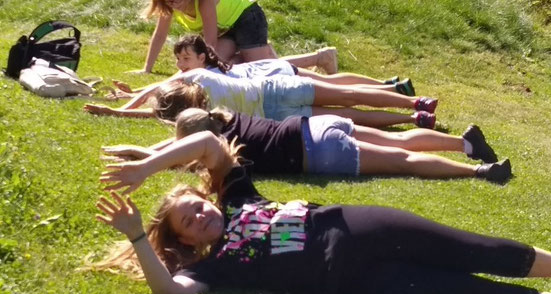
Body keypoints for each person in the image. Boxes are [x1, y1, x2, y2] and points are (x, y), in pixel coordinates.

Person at [94, 131, 551, 294]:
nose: (200, 216)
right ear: (188, 242)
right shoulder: (215, 267)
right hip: (357, 283)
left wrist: (146, 167)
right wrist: (139, 237)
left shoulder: (240, 200)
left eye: (196, 206)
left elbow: (210, 143)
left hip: (361, 225)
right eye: (189, 222)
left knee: (473, 249)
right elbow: (168, 291)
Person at [102, 107, 511, 182]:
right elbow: (188, 143)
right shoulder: (227, 118)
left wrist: (143, 155)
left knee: (402, 160)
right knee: (398, 139)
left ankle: (481, 171)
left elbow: (185, 156)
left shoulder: (220, 147)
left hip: (318, 153)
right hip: (316, 126)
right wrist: (142, 149)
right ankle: (465, 144)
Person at [84, 68, 438, 128]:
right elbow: (153, 93)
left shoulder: (194, 114)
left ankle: (415, 119)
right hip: (277, 89)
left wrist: (117, 112)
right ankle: (415, 103)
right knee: (348, 95)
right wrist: (122, 105)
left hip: (275, 117)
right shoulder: (195, 76)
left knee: (349, 116)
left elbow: (154, 112)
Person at [111, 35, 415, 99]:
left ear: (202, 58)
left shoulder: (201, 74)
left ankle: (389, 89)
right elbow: (164, 87)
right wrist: (134, 92)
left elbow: (163, 88)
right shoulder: (209, 68)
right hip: (269, 71)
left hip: (272, 75)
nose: (180, 66)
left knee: (334, 87)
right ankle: (389, 86)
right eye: (178, 60)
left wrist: (132, 96)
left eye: (185, 59)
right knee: (333, 85)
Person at [140, 0, 338, 73]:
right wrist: (146, 69)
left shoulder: (204, 2)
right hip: (227, 30)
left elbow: (209, 43)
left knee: (263, 69)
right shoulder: (168, 5)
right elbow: (160, 35)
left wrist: (200, 71)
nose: (173, 1)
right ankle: (259, 52)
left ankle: (322, 57)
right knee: (225, 65)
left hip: (247, 17)